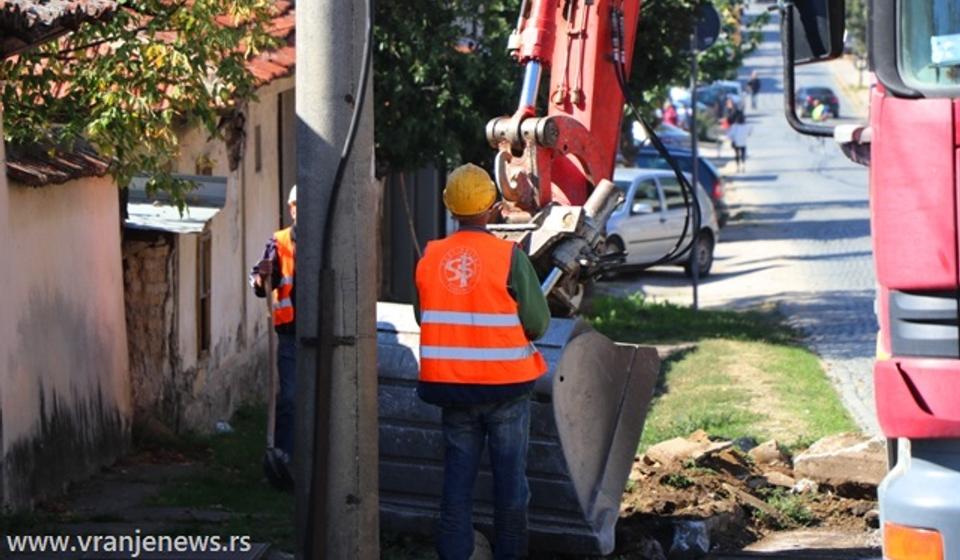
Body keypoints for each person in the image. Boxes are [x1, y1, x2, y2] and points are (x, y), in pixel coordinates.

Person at [413, 163, 550, 560]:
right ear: (492, 207)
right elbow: (538, 323)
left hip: (452, 390)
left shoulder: (429, 257)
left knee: (457, 487)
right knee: (510, 488)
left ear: (450, 207)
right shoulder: (509, 257)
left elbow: (425, 316)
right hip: (506, 390)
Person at [251, 185, 297, 461]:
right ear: (292, 209)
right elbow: (260, 282)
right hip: (291, 333)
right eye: (297, 205)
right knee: (290, 396)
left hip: (322, 334)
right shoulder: (279, 242)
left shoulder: (328, 240)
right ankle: (283, 455)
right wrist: (262, 277)